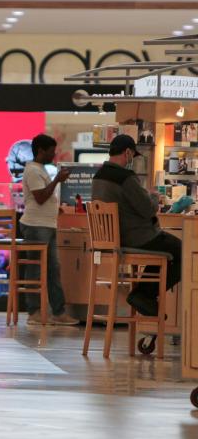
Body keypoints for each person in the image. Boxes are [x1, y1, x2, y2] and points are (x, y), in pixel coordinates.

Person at [91, 134, 182, 317]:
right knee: (182, 250)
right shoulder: (125, 177)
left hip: (114, 240)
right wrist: (155, 196)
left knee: (168, 250)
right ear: (127, 152)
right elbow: (148, 209)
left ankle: (144, 294)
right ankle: (144, 295)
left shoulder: (98, 176)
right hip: (137, 238)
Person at [20, 134, 79, 326]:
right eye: (51, 152)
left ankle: (58, 311)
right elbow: (39, 197)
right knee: (35, 269)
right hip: (36, 226)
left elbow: (43, 198)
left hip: (46, 224)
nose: (54, 155)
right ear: (40, 151)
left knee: (53, 269)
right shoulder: (33, 171)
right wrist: (57, 181)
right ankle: (34, 311)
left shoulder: (40, 169)